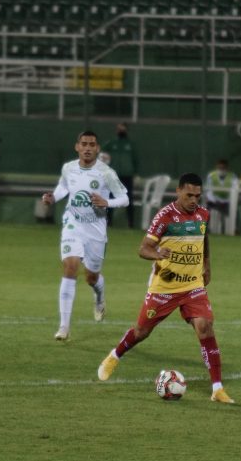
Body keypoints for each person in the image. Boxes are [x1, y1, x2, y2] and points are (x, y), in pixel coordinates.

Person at [96, 173, 234, 404]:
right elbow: (143, 248)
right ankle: (114, 355)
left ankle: (217, 388)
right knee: (141, 332)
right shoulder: (165, 216)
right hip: (165, 286)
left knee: (205, 327)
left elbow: (204, 237)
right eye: (189, 195)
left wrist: (207, 264)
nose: (194, 200)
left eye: (197, 196)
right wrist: (157, 253)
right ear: (178, 191)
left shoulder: (203, 214)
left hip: (192, 285)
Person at [41, 131, 129, 341]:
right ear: (77, 147)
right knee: (70, 267)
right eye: (84, 144)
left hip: (96, 231)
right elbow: (64, 186)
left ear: (97, 148)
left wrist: (107, 202)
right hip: (73, 225)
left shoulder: (106, 172)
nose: (88, 148)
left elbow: (124, 198)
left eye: (92, 144)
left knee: (91, 278)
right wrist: (53, 197)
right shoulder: (68, 168)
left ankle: (99, 296)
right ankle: (64, 327)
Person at [102, 122, 139, 228]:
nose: (121, 131)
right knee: (111, 198)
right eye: (119, 129)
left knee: (129, 199)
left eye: (123, 129)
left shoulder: (130, 144)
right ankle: (109, 222)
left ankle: (131, 224)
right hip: (114, 176)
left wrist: (135, 173)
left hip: (127, 175)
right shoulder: (112, 143)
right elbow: (102, 153)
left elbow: (135, 159)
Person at [204, 158, 239, 234]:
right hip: (214, 201)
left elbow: (235, 190)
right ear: (216, 167)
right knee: (206, 209)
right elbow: (209, 191)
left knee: (235, 210)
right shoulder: (211, 176)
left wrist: (227, 201)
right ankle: (205, 228)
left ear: (227, 168)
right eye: (220, 168)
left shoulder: (233, 176)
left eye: (223, 168)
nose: (221, 169)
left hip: (227, 202)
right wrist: (214, 201)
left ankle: (235, 229)